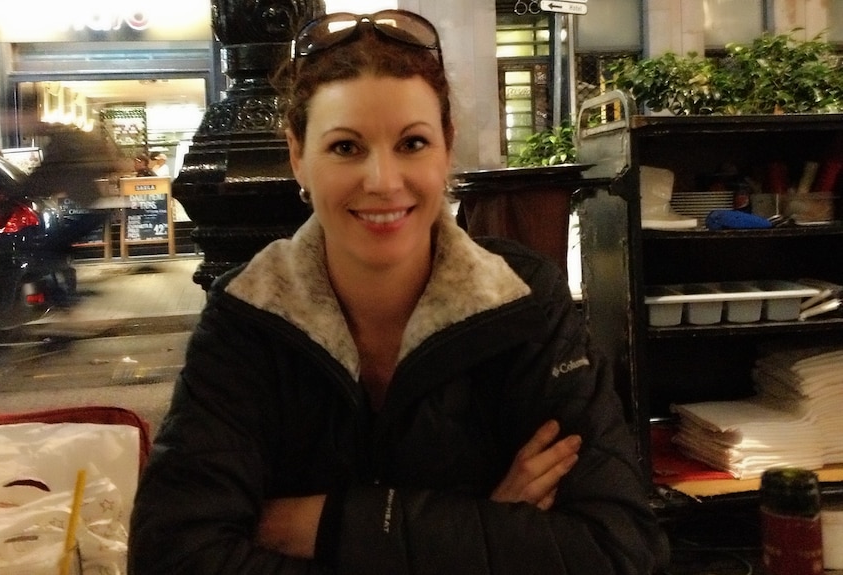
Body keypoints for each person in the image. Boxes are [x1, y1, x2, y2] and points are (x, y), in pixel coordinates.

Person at [128, 9, 669, 575]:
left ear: (446, 147)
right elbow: (174, 553)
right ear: (298, 156)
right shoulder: (246, 317)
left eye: (412, 143)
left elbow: (618, 549)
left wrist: (331, 525)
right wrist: (480, 527)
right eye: (345, 148)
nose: (383, 181)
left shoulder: (524, 301)